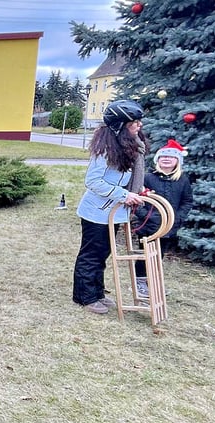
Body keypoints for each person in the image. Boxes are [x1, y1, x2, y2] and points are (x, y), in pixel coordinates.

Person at [73, 99, 147, 314]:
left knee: (102, 253)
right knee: (91, 255)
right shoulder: (105, 150)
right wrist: (124, 195)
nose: (139, 126)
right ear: (121, 126)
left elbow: (128, 178)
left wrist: (137, 191)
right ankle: (85, 298)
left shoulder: (130, 146)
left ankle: (97, 293)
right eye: (134, 123)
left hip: (112, 212)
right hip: (97, 212)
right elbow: (93, 181)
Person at [130, 138, 193, 297]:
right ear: (158, 159)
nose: (166, 159)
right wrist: (147, 217)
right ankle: (140, 284)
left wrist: (177, 218)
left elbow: (187, 201)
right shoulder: (148, 178)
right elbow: (137, 201)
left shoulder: (182, 180)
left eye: (171, 157)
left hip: (168, 227)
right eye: (163, 156)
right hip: (148, 226)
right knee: (145, 254)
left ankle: (153, 284)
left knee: (159, 255)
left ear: (177, 161)